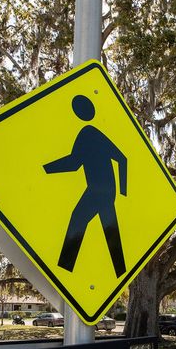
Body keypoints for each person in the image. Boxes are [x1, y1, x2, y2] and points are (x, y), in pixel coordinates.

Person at [44, 94, 128, 277]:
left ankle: (65, 269)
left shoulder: (89, 133)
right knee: (110, 231)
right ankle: (121, 270)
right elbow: (77, 163)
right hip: (106, 192)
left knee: (77, 220)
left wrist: (45, 169)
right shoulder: (92, 133)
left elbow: (74, 163)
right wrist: (119, 191)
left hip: (97, 191)